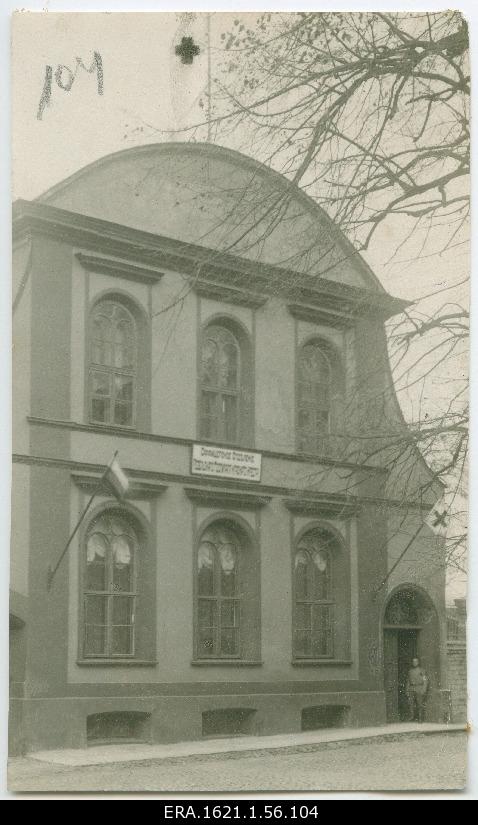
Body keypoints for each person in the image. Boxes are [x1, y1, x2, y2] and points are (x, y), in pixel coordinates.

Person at [406, 656, 429, 722]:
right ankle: (412, 716)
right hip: (411, 688)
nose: (414, 663)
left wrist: (424, 689)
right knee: (411, 703)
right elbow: (408, 681)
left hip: (419, 687)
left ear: (418, 662)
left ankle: (420, 718)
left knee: (420, 703)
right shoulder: (410, 671)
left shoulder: (422, 671)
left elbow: (425, 680)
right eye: (413, 661)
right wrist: (407, 690)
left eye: (416, 661)